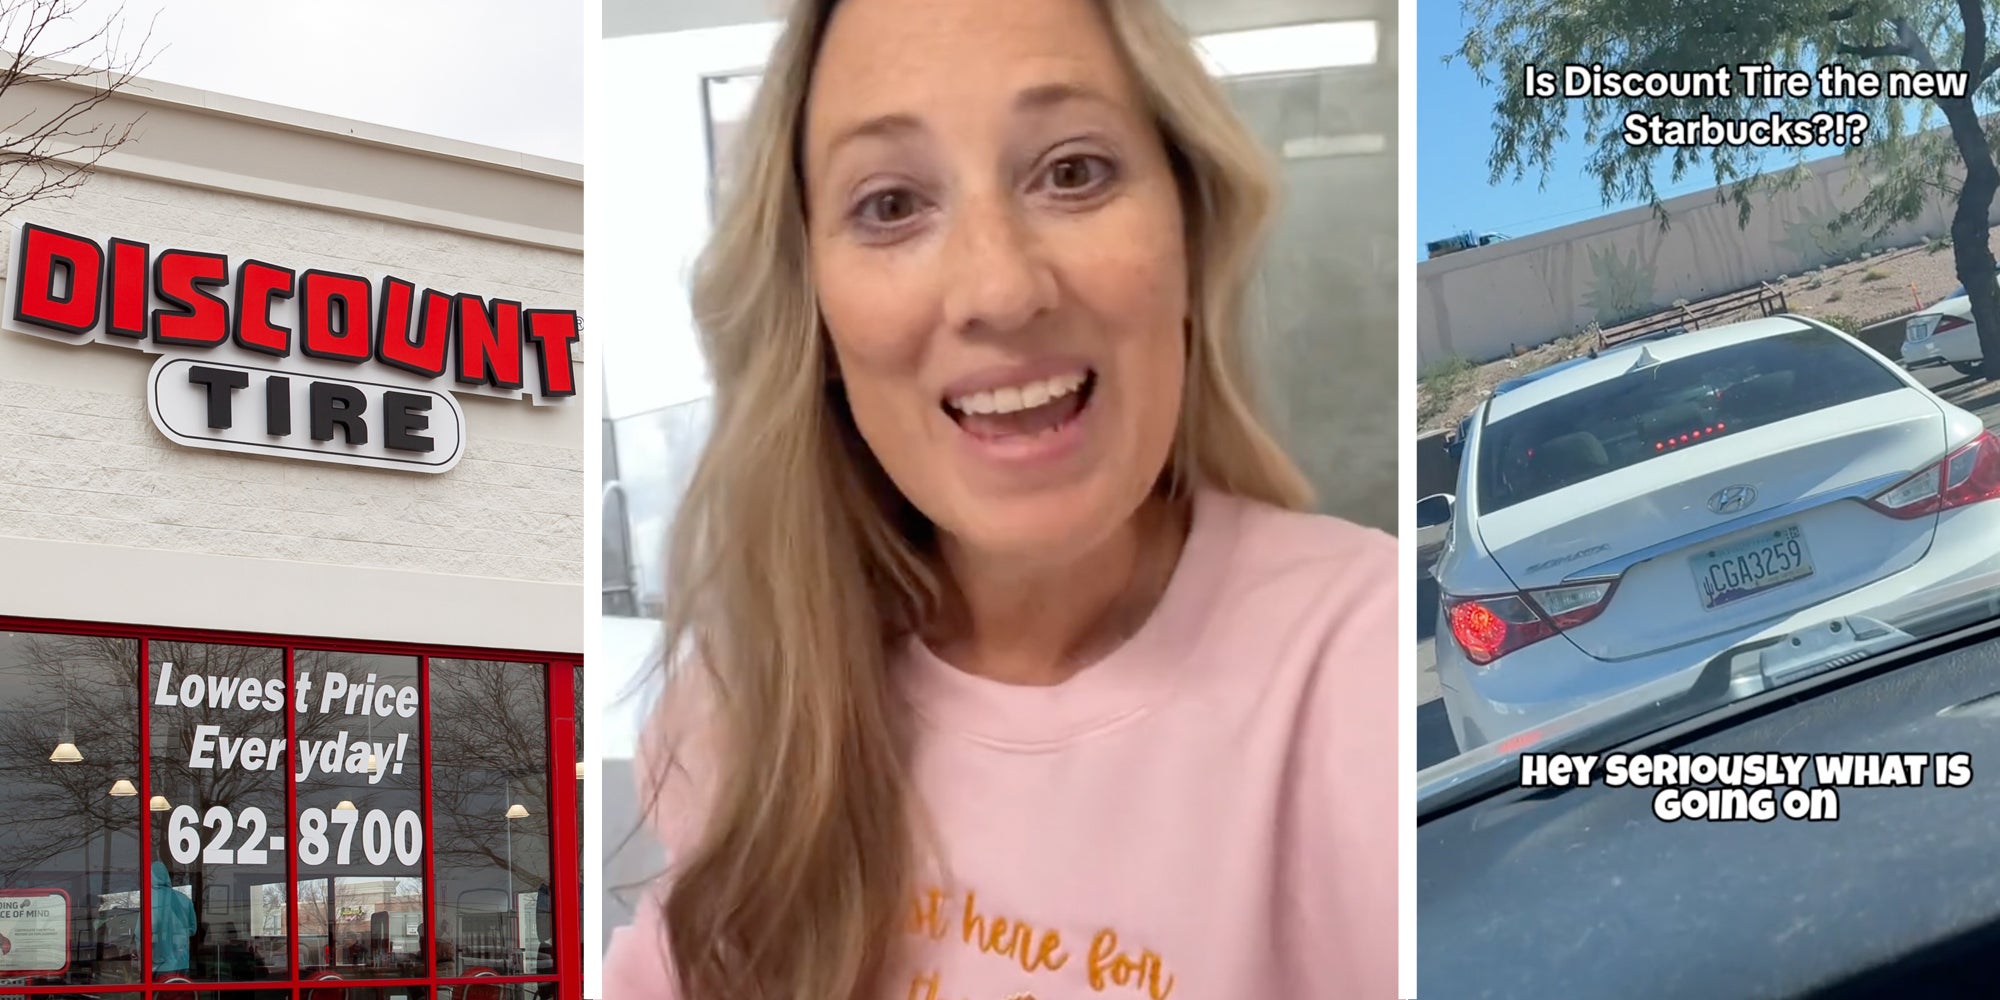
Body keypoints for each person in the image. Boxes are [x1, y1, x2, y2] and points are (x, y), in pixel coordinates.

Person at [602, 0, 1396, 997]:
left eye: (1072, 171)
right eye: (890, 205)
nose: (999, 288)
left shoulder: (1353, 666)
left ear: (1188, 240)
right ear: (812, 306)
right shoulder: (743, 707)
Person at [150, 862, 196, 978]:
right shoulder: (184, 899)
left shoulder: (149, 899)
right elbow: (193, 929)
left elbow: (140, 934)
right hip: (182, 962)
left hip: (158, 963)